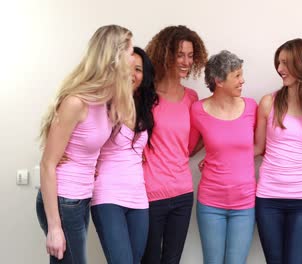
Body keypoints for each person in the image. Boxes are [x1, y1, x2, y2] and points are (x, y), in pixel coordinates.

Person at [36, 24, 135, 263]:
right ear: (115, 56)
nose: (134, 59)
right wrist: (54, 228)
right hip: (64, 200)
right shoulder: (76, 102)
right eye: (130, 52)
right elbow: (47, 164)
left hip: (80, 198)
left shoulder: (102, 100)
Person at [254, 38, 302, 264]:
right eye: (279, 63)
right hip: (269, 198)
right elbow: (258, 147)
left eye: (285, 63)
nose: (279, 69)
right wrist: (219, 159)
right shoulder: (269, 102)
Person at [142, 25, 208, 264]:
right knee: (148, 260)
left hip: (182, 193)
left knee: (172, 260)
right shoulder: (145, 95)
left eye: (190, 56)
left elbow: (192, 143)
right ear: (165, 54)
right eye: (180, 55)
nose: (186, 61)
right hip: (150, 193)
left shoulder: (192, 97)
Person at [90, 47, 157, 264]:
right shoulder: (103, 104)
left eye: (138, 69)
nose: (132, 74)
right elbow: (78, 138)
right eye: (127, 67)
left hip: (139, 197)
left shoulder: (142, 107)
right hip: (108, 195)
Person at [191, 50, 257, 264]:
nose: (242, 80)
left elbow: (259, 146)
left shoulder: (251, 107)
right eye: (237, 75)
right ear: (219, 81)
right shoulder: (198, 109)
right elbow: (189, 147)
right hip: (211, 203)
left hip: (244, 203)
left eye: (241, 74)